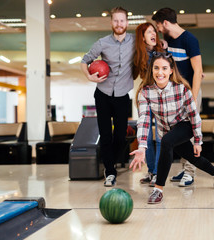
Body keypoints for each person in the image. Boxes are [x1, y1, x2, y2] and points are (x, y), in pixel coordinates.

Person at [129, 52, 214, 204]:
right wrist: (142, 146)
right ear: (151, 70)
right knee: (194, 159)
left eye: (164, 68)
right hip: (167, 131)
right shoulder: (145, 92)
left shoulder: (182, 89)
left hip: (185, 126)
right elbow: (144, 120)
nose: (160, 72)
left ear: (171, 70)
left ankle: (158, 189)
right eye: (156, 68)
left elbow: (194, 116)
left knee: (167, 141)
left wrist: (198, 141)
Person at [80, 7, 135, 187]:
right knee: (105, 134)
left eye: (122, 20)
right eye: (116, 20)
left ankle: (109, 161)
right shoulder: (102, 43)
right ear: (111, 22)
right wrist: (89, 76)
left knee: (120, 136)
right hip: (102, 94)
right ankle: (110, 172)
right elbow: (84, 60)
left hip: (122, 95)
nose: (119, 24)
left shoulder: (135, 42)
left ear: (127, 22)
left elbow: (152, 44)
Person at [152, 7, 203, 187]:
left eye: (158, 26)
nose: (157, 29)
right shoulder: (167, 40)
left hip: (189, 93)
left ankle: (190, 172)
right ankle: (185, 167)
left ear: (165, 23)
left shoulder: (190, 39)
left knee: (190, 133)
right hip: (174, 94)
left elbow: (198, 70)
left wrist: (193, 98)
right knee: (178, 134)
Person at [133, 22, 164, 187]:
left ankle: (158, 172)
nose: (153, 34)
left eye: (154, 31)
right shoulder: (139, 54)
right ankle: (152, 171)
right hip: (145, 97)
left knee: (160, 137)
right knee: (145, 137)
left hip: (161, 98)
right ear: (142, 37)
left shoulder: (162, 53)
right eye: (149, 32)